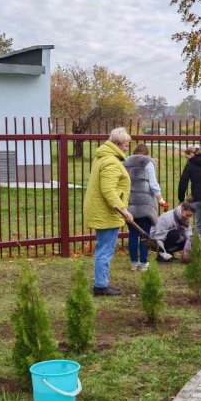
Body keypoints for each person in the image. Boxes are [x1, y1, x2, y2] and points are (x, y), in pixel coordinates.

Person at [83, 127, 133, 296]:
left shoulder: (102, 157)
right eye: (126, 145)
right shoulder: (111, 161)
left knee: (103, 248)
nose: (127, 148)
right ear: (118, 144)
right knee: (105, 249)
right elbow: (108, 190)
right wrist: (124, 211)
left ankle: (101, 283)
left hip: (103, 211)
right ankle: (101, 286)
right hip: (106, 212)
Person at [125, 144, 168, 271]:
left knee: (132, 234)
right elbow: (153, 184)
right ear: (147, 153)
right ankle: (143, 263)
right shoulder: (148, 162)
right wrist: (161, 200)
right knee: (145, 235)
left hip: (130, 203)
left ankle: (133, 263)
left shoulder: (126, 162)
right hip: (145, 204)